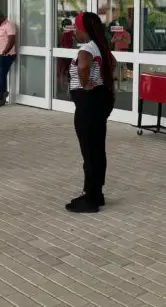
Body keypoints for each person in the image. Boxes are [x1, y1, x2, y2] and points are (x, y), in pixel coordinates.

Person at [67, 11, 116, 213]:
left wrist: (86, 86)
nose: (74, 31)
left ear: (84, 29)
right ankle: (97, 193)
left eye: (75, 27)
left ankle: (90, 198)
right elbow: (113, 65)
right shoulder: (101, 47)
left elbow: (83, 69)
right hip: (100, 101)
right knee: (97, 149)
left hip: (88, 104)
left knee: (89, 150)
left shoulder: (86, 49)